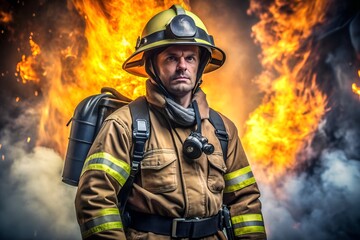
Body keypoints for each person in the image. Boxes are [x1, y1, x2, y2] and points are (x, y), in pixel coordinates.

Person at [75, 4, 267, 240]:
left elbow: (244, 202)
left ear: (201, 65)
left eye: (190, 58)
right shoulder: (125, 125)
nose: (182, 66)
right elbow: (95, 200)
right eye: (171, 58)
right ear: (152, 66)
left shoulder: (222, 130)